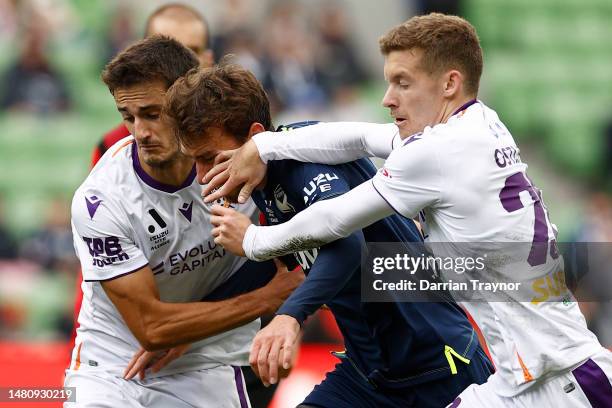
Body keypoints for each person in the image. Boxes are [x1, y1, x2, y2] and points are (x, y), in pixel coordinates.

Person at [202, 13, 612, 407]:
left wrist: (255, 240)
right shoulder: (476, 125)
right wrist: (265, 147)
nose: (387, 98)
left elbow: (335, 219)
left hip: (560, 383)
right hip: (519, 381)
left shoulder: (436, 152)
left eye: (402, 83)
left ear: (450, 83)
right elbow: (360, 138)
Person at [164, 63, 493, 407]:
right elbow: (283, 270)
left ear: (254, 136)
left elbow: (348, 248)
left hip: (438, 365)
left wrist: (290, 316)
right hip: (369, 373)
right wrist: (193, 331)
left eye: (208, 158)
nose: (202, 176)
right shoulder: (259, 183)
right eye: (195, 161)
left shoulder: (303, 160)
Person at [65, 36, 303, 408]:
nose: (140, 132)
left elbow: (324, 254)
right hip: (114, 362)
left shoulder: (247, 161)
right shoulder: (101, 199)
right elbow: (152, 328)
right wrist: (269, 297)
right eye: (128, 117)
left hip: (212, 360)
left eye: (153, 113)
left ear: (185, 103)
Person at [90, 3, 213, 165]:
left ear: (209, 60)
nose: (180, 62)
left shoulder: (241, 136)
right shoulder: (112, 147)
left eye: (193, 50)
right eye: (165, 50)